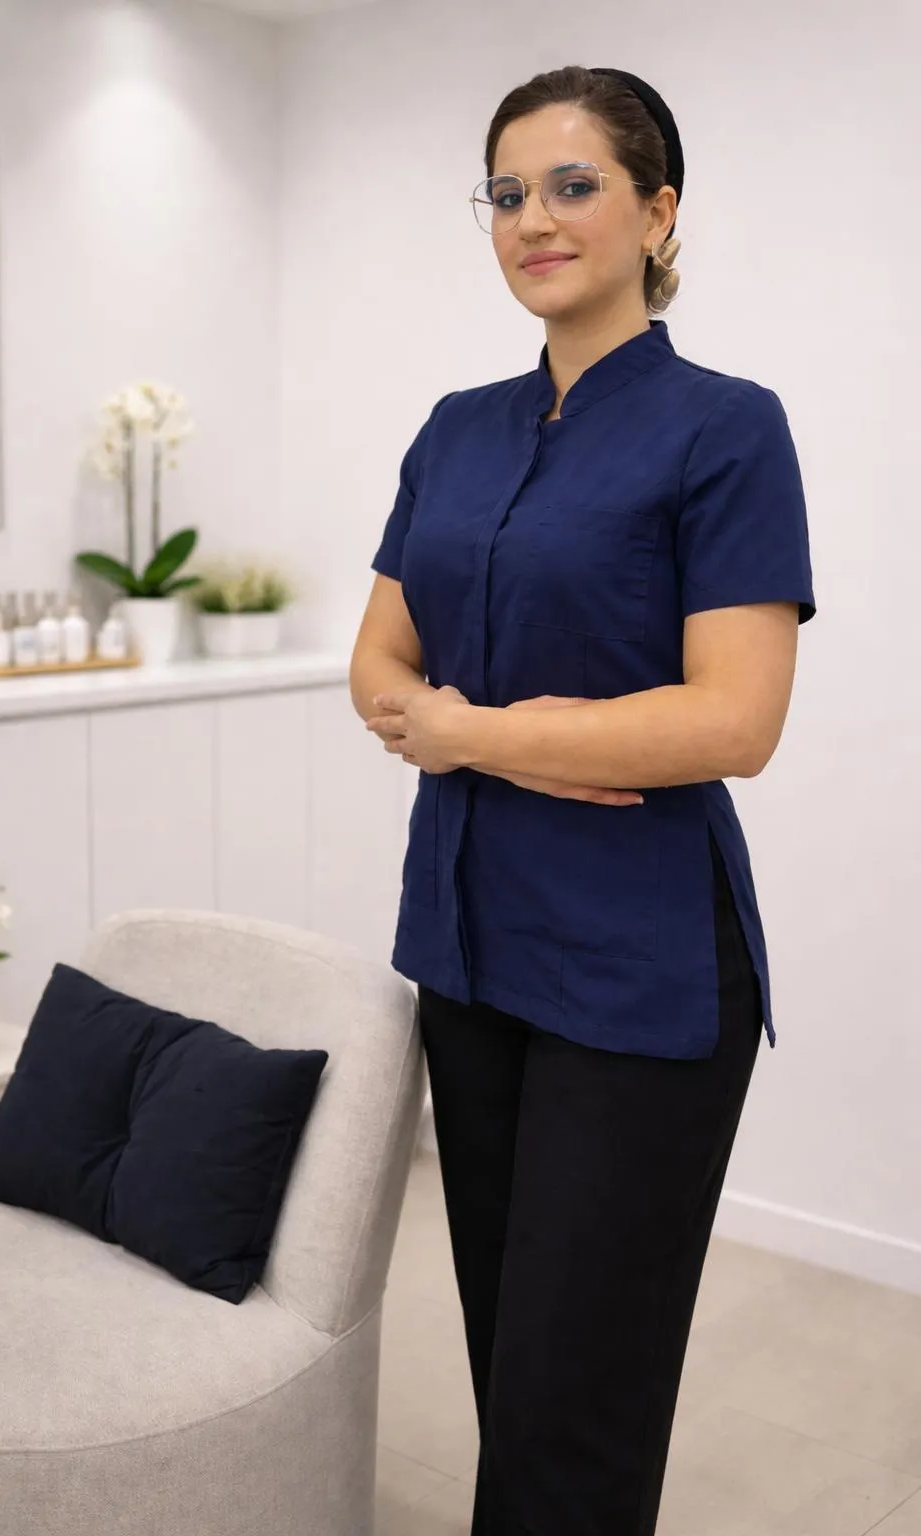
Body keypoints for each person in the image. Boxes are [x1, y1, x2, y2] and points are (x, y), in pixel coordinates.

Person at [349, 64, 816, 1536]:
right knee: (511, 1361)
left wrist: (470, 732)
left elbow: (735, 721)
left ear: (658, 211)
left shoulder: (727, 428)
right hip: (470, 949)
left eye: (573, 186)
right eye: (507, 194)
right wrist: (543, 741)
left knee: (578, 1406)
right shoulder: (454, 427)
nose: (533, 220)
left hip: (640, 971)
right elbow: (376, 669)